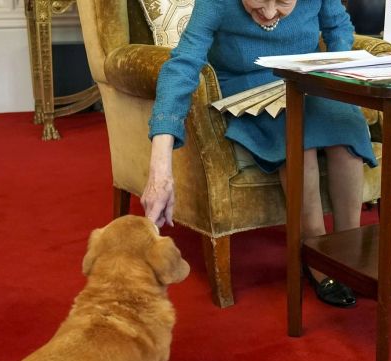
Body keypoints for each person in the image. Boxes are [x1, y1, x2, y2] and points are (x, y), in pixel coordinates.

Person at [143, 0, 376, 308]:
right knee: (298, 142)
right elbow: (183, 63)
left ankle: (349, 248)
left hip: (307, 81)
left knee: (347, 131)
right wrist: (160, 165)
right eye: (257, 1)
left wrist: (336, 72)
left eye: (281, 3)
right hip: (247, 87)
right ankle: (317, 256)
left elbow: (338, 27)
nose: (267, 14)